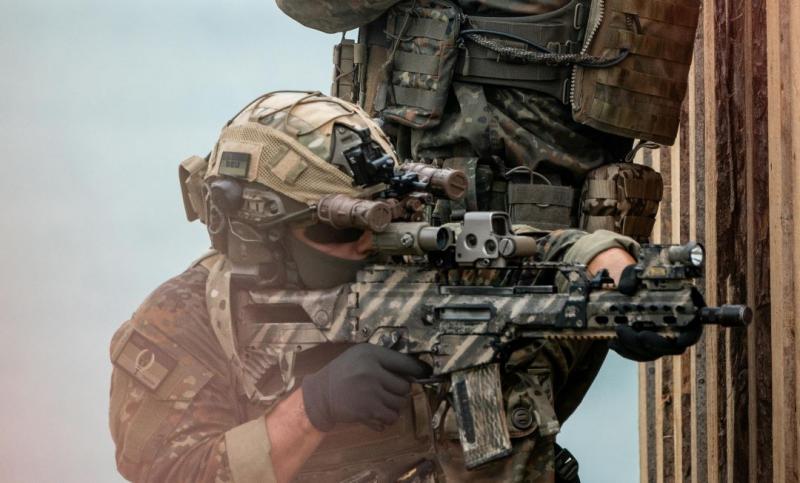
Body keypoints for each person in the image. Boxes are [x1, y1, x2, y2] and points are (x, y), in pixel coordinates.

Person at [108, 91, 691, 483]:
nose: (371, 242)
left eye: (388, 215)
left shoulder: (417, 253)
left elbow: (547, 249)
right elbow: (169, 472)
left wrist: (615, 275)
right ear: (262, 235)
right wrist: (311, 409)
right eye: (342, 228)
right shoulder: (184, 324)